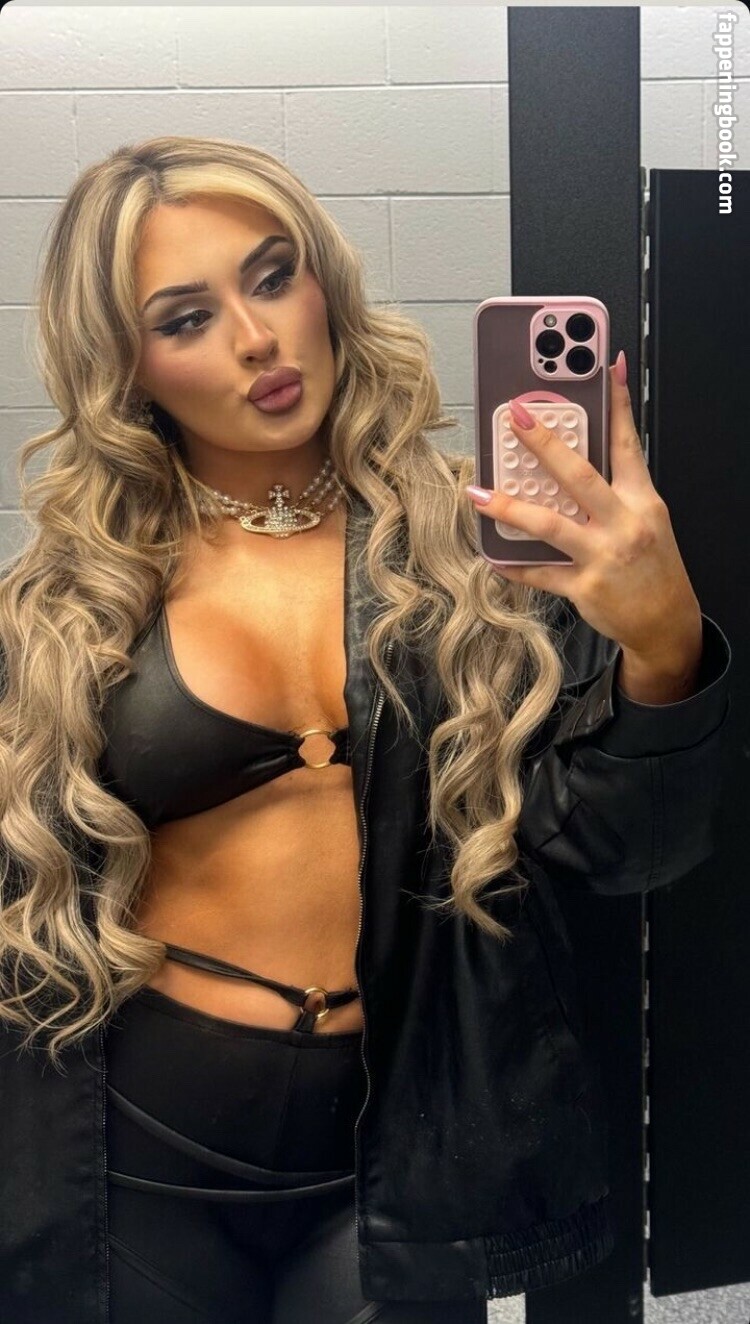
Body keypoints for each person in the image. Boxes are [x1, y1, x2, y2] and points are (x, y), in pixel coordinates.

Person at [0, 135, 731, 1324]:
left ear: (323, 282)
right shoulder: (75, 601)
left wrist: (662, 644)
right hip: (136, 1150)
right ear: (125, 366)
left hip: (401, 1147)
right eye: (186, 318)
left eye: (272, 275)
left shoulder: (478, 558)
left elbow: (625, 847)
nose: (256, 338)